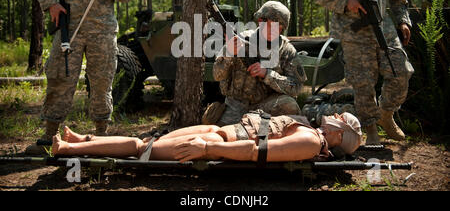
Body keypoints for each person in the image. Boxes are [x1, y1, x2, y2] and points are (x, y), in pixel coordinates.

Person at [34, 0, 134, 140]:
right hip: (71, 31)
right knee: (61, 79)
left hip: (104, 33)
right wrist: (51, 4)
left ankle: (101, 136)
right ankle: (49, 137)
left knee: (102, 84)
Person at [315, 0, 414, 145]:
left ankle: (386, 115)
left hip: (383, 28)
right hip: (353, 32)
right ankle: (370, 128)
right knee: (363, 82)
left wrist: (403, 22)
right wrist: (345, 3)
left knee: (401, 72)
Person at [51, 112, 362, 163]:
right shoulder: (310, 129)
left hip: (216, 145)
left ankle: (67, 150)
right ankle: (82, 140)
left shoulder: (310, 142)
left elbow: (257, 151)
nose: (335, 115)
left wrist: (209, 147)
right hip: (219, 132)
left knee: (142, 148)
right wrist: (214, 135)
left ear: (339, 134)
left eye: (341, 120)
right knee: (150, 138)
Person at [204, 1, 307, 126]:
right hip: (235, 106)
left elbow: (296, 87)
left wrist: (268, 74)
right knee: (223, 137)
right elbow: (217, 75)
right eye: (270, 25)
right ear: (260, 21)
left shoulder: (286, 50)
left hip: (266, 106)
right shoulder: (239, 40)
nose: (273, 30)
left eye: (278, 26)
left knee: (289, 106)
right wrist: (229, 54)